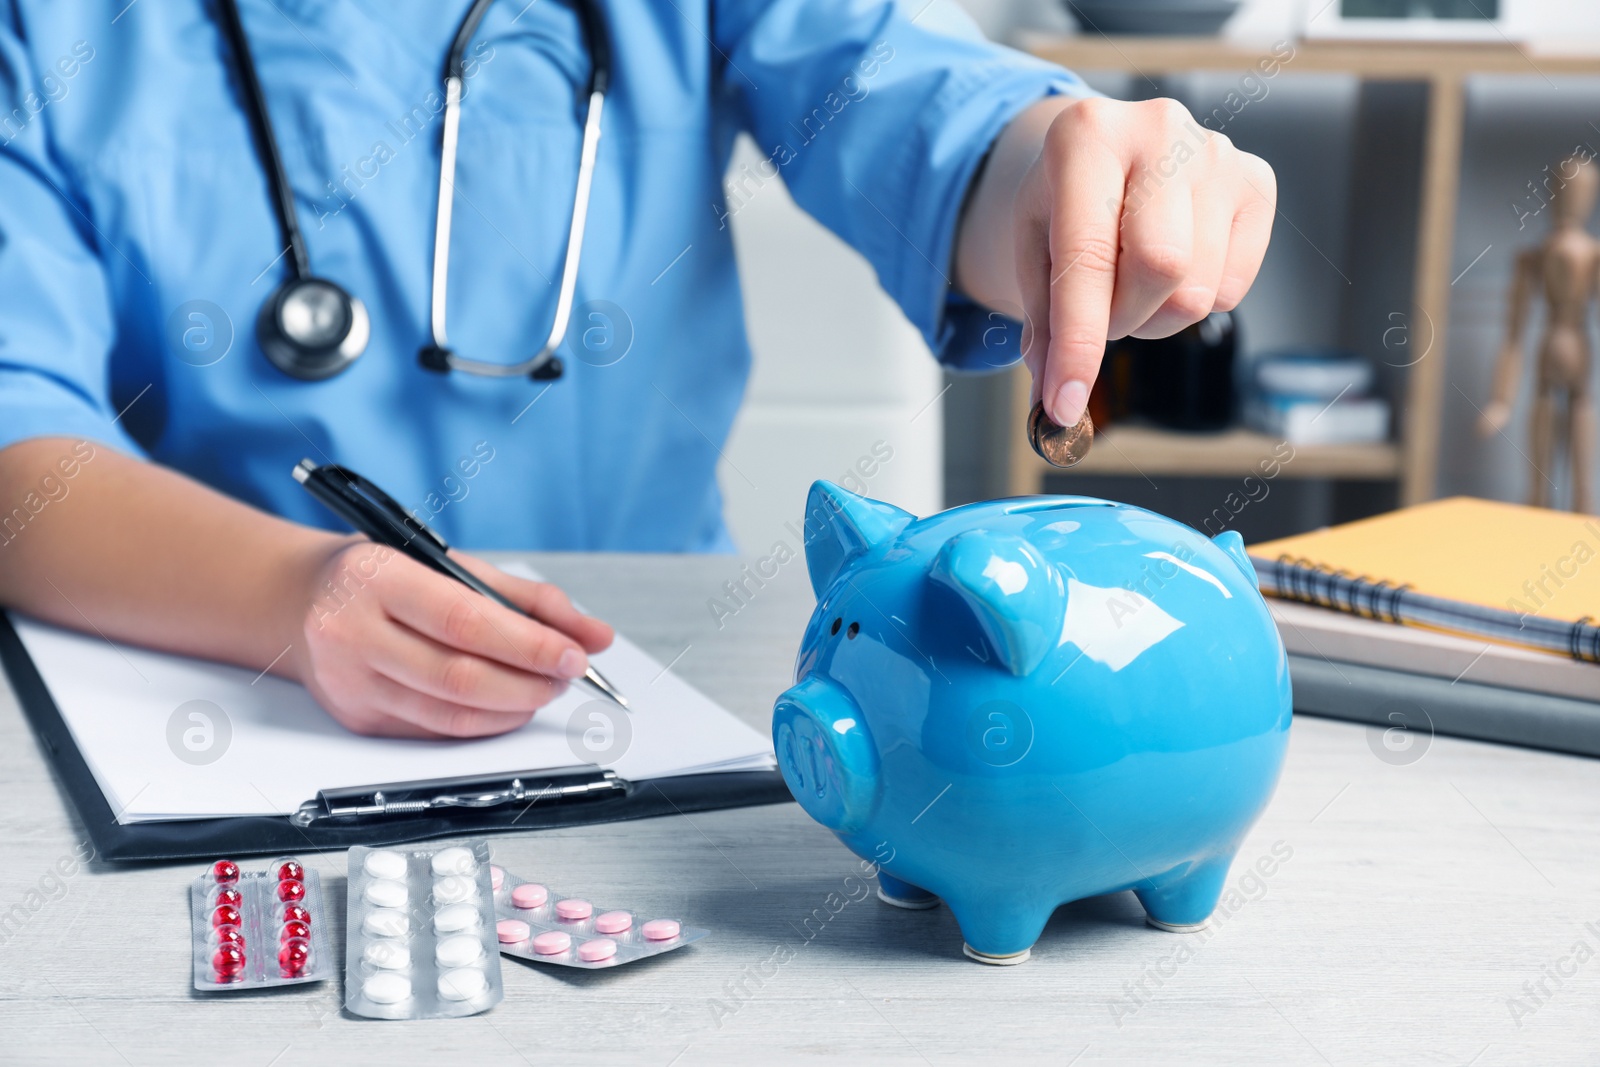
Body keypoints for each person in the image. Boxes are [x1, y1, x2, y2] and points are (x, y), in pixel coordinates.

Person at [0, 0, 1274, 739]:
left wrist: (1064, 161)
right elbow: (17, 445)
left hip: (651, 677)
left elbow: (918, 113)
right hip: (222, 692)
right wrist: (295, 591)